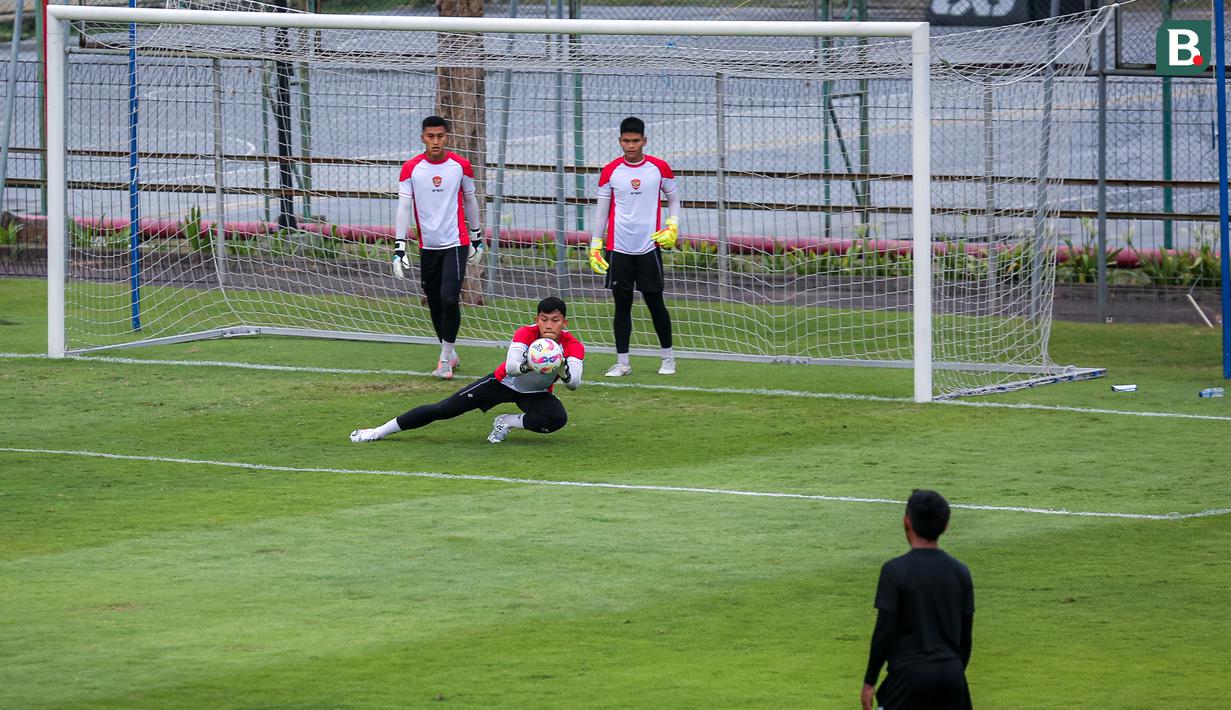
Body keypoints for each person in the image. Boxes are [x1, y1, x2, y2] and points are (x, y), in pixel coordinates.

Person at [349, 297, 584, 445]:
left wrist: (562, 370)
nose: (549, 325)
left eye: (555, 320)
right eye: (544, 319)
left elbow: (574, 384)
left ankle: (506, 422)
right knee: (442, 410)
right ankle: (377, 432)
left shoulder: (573, 345)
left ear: (564, 323)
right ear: (537, 320)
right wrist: (531, 364)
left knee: (557, 418)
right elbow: (511, 367)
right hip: (502, 384)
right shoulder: (525, 333)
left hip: (535, 393)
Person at [862, 490, 975, 710]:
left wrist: (869, 681)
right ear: (945, 526)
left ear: (906, 522)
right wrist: (952, 672)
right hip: (952, 673)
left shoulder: (895, 571)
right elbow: (965, 638)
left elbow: (884, 633)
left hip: (909, 676)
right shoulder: (961, 572)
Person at [392, 115, 485, 380]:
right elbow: (404, 207)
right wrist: (400, 246)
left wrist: (476, 236)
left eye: (440, 136)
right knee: (434, 301)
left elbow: (470, 200)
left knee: (449, 298)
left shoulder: (460, 166)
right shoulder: (411, 168)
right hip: (428, 247)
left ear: (447, 137)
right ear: (423, 137)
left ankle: (445, 359)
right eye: (430, 136)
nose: (435, 141)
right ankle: (450, 351)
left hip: (456, 243)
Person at [587, 116, 681, 377]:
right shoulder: (611, 171)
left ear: (644, 141)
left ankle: (668, 359)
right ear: (620, 141)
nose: (631, 145)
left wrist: (672, 225)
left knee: (655, 302)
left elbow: (674, 200)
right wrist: (595, 244)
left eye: (635, 141)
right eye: (626, 141)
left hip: (649, 247)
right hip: (618, 249)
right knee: (622, 305)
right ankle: (623, 363)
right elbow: (602, 211)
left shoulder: (659, 168)